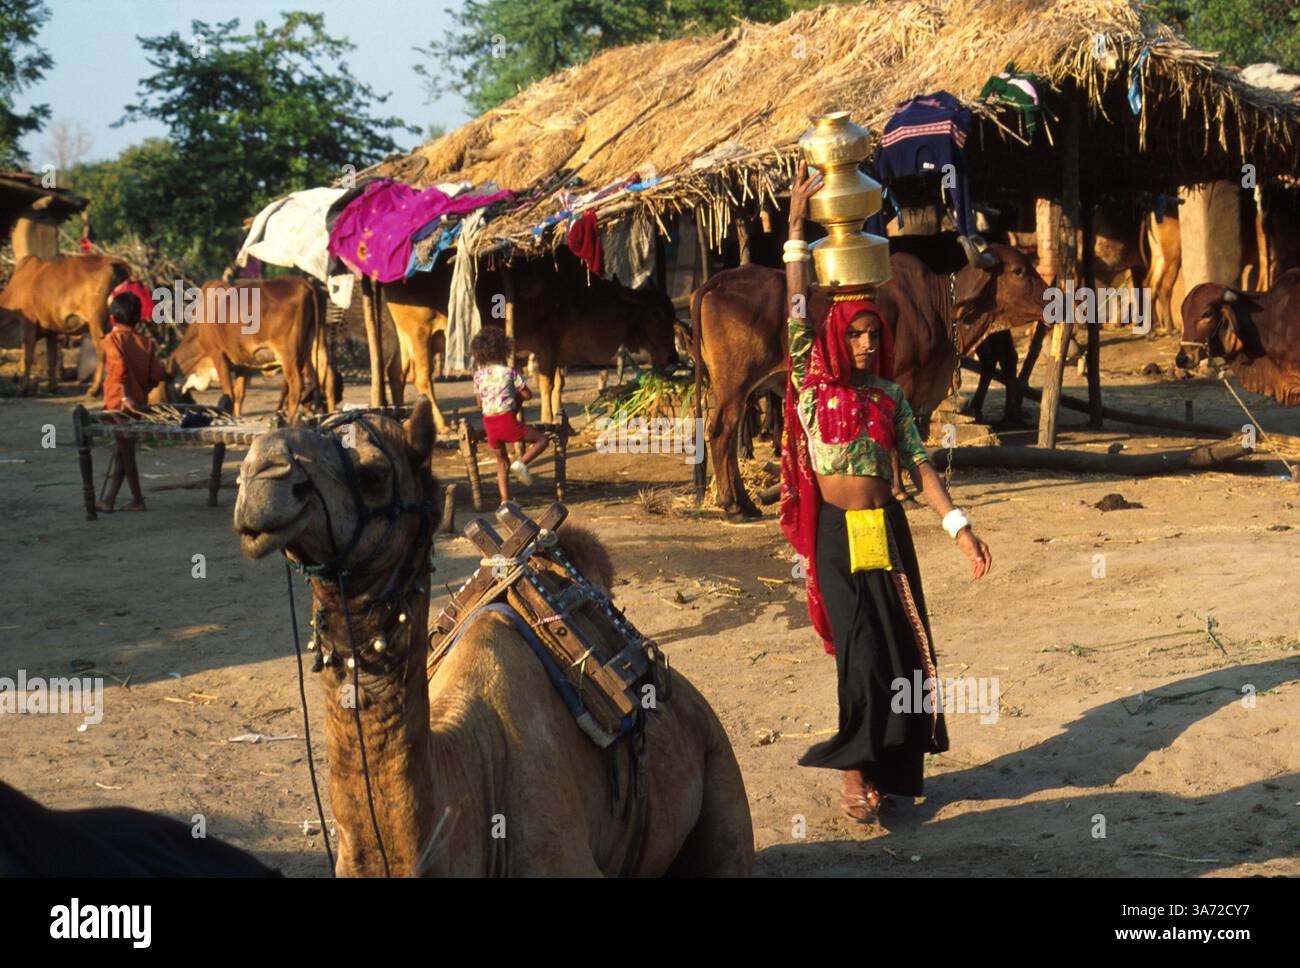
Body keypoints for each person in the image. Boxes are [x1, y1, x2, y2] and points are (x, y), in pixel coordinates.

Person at [780, 162, 993, 821]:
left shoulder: (889, 398)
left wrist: (959, 527)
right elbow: (795, 308)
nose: (870, 342)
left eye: (876, 332)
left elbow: (921, 466)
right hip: (835, 532)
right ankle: (851, 773)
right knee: (859, 652)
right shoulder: (813, 385)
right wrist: (794, 228)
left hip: (883, 529)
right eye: (859, 333)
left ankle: (890, 772)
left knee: (901, 653)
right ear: (838, 339)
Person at [96, 292, 164, 513]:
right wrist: (140, 392)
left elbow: (119, 369)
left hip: (120, 404)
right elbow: (156, 375)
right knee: (122, 452)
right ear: (138, 318)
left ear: (113, 317)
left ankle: (137, 499)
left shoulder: (112, 340)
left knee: (125, 452)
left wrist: (126, 396)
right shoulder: (145, 342)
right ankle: (108, 500)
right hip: (138, 406)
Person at [470, 326, 549, 503]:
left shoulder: (478, 376)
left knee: (501, 462)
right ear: (503, 349)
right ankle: (521, 463)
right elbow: (528, 394)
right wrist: (514, 397)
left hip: (489, 424)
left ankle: (504, 501)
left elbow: (479, 404)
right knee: (542, 440)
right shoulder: (510, 372)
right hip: (507, 421)